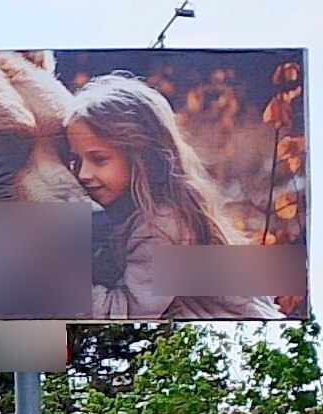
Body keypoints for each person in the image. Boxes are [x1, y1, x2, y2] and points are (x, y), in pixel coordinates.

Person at [65, 73, 279, 321]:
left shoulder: (162, 225)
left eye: (99, 159)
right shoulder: (131, 209)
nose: (83, 174)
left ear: (141, 156)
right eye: (75, 161)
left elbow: (122, 314)